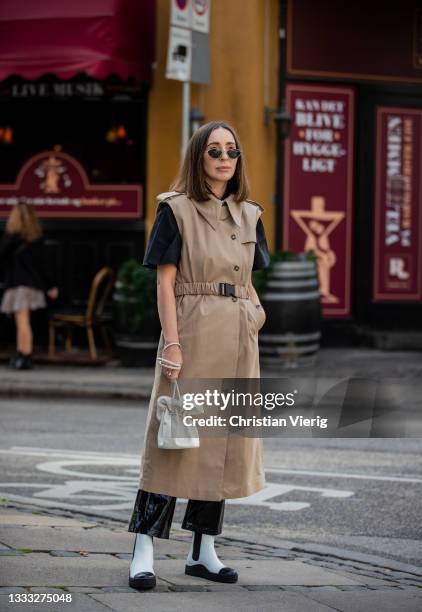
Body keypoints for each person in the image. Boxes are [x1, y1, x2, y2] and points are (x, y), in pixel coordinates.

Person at [127, 121, 271, 590]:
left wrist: (255, 311)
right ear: (199, 157)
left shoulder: (250, 213)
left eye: (232, 150)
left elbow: (247, 275)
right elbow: (164, 281)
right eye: (215, 150)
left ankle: (203, 550)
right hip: (192, 333)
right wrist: (171, 342)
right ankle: (144, 550)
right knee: (172, 442)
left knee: (222, 448)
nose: (225, 158)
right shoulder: (176, 210)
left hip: (238, 337)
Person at [0, 201, 58, 369]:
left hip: (18, 285)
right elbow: (43, 265)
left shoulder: (10, 238)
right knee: (23, 322)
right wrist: (51, 286)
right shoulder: (36, 238)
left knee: (22, 322)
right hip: (32, 285)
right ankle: (21, 353)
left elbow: (1, 256)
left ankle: (25, 356)